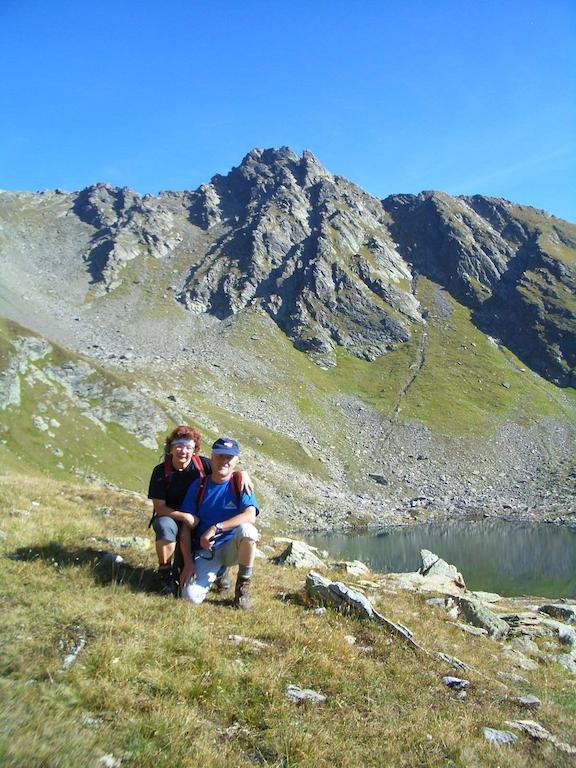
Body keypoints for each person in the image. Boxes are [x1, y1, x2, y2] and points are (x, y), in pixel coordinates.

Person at [147, 426, 252, 596]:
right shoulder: (160, 472)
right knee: (165, 527)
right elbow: (160, 508)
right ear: (171, 448)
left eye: (189, 447)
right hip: (172, 515)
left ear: (194, 450)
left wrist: (243, 473)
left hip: (196, 517)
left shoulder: (202, 464)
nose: (183, 451)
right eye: (179, 446)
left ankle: (220, 569)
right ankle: (165, 574)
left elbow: (225, 468)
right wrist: (185, 516)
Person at [179, 437, 259, 609]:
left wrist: (217, 527)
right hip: (207, 551)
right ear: (212, 457)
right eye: (220, 456)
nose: (224, 461)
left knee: (249, 531)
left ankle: (242, 589)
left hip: (232, 546)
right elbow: (186, 526)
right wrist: (188, 563)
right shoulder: (198, 486)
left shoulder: (240, 484)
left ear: (236, 461)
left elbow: (250, 516)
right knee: (189, 597)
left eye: (229, 457)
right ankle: (220, 572)